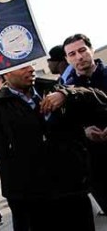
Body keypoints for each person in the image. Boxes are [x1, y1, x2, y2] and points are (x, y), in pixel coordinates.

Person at [0, 28, 107, 231]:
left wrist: (66, 95)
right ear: (5, 74)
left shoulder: (56, 88)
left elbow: (99, 99)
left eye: (30, 63)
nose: (30, 69)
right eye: (21, 67)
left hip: (71, 191)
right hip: (28, 199)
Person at [63, 33, 107, 216]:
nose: (79, 57)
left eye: (82, 50)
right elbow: (66, 126)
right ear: (67, 59)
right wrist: (84, 131)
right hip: (96, 165)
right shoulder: (66, 90)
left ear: (91, 50)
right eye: (72, 54)